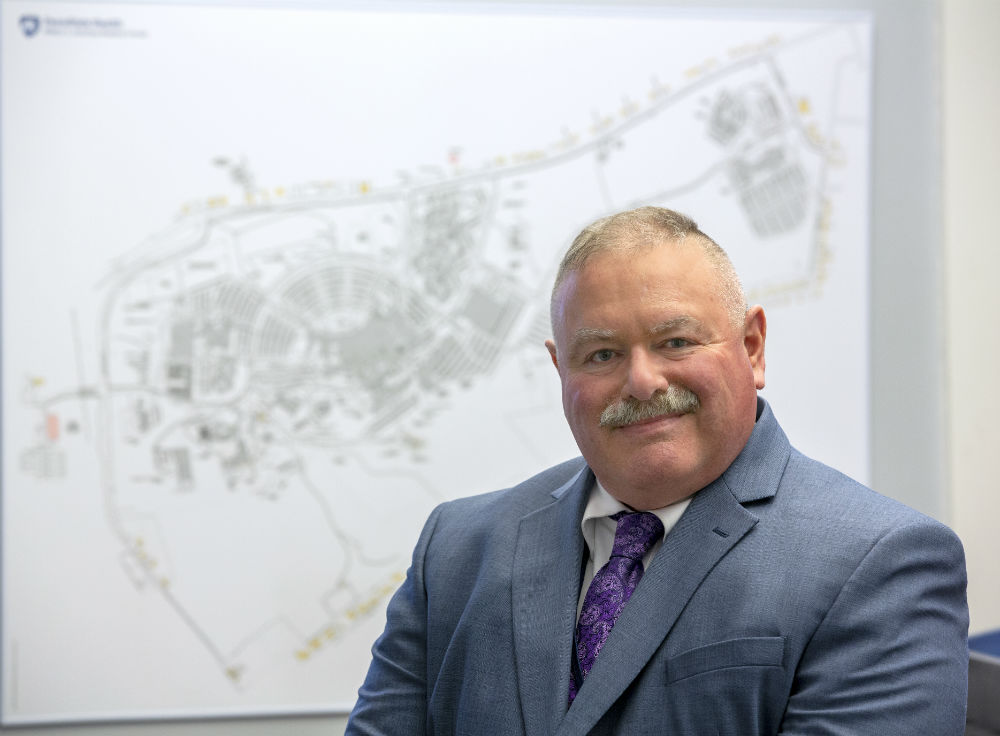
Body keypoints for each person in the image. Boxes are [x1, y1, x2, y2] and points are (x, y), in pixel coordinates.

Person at [346, 206, 969, 735]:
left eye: (676, 342)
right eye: (602, 354)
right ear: (560, 369)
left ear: (751, 347)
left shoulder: (881, 563)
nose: (642, 381)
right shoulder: (456, 549)